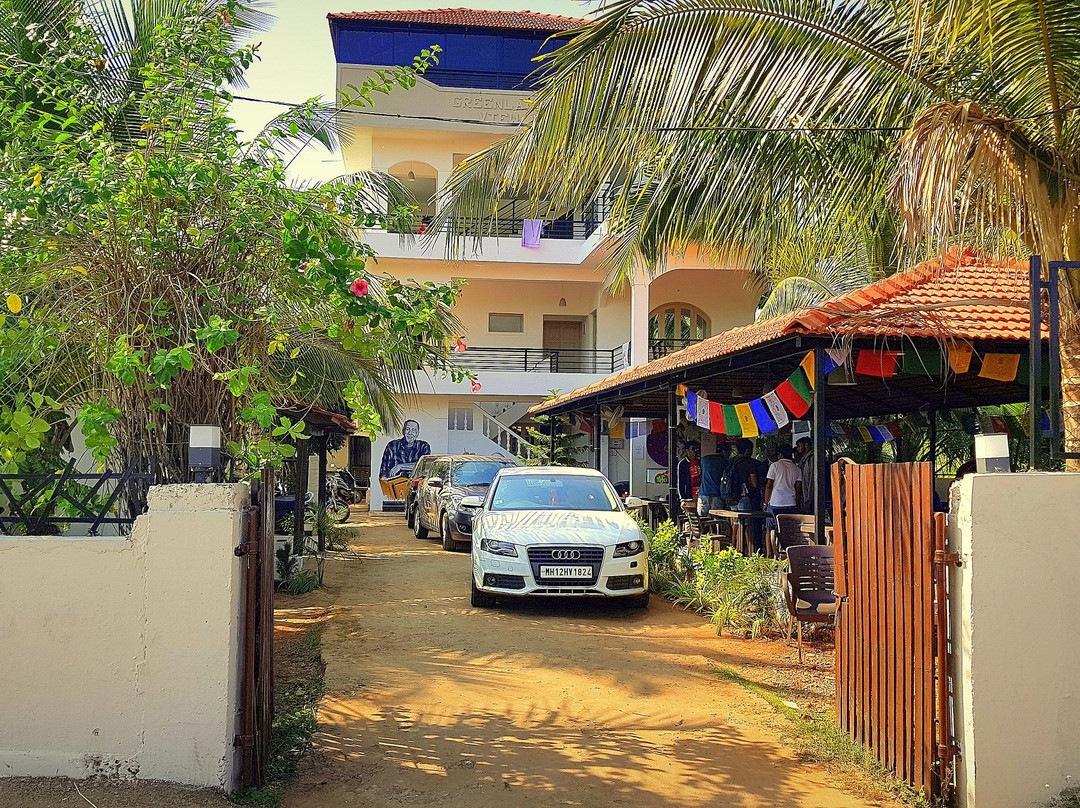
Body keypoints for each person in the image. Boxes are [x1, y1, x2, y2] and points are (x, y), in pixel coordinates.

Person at [727, 438, 765, 552]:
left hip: (732, 497)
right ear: (748, 450)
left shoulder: (731, 461)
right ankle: (750, 552)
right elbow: (754, 483)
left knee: (735, 525)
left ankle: (733, 550)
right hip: (744, 497)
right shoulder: (749, 463)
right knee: (747, 525)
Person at [765, 444, 803, 531]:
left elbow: (769, 486)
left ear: (780, 454)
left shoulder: (774, 466)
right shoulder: (797, 469)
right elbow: (798, 489)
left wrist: (766, 502)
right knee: (788, 530)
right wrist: (797, 504)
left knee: (770, 529)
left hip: (775, 502)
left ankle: (770, 545)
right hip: (790, 503)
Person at [697, 442, 732, 516]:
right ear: (724, 451)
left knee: (702, 519)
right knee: (717, 520)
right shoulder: (725, 462)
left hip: (703, 493)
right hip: (717, 494)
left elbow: (700, 475)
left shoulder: (704, 459)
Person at [795, 436, 815, 514]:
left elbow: (812, 479)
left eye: (799, 446)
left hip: (810, 496)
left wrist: (809, 498)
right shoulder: (804, 459)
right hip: (805, 494)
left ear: (806, 445)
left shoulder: (811, 459)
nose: (798, 449)